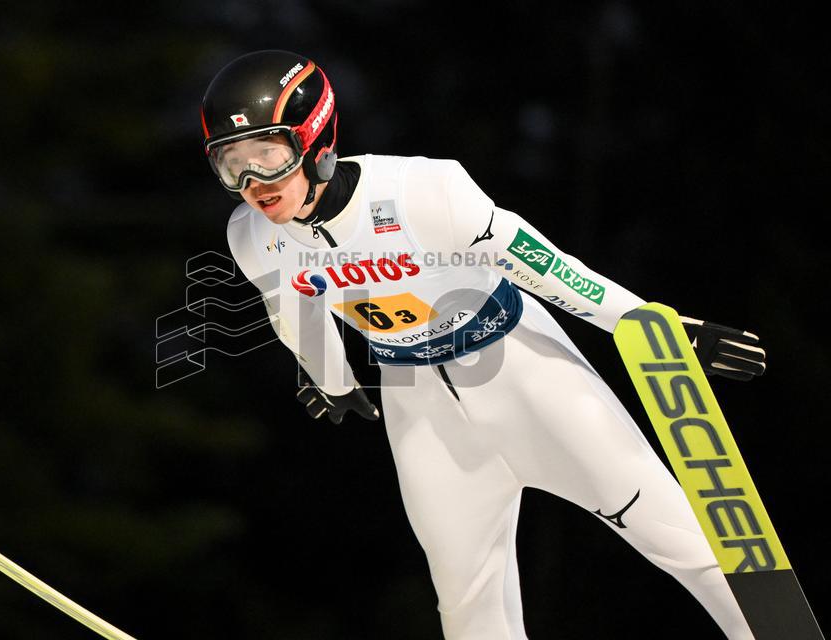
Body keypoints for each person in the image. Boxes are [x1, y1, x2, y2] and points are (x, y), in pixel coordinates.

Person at [200, 49, 766, 639]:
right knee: (467, 605)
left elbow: (543, 265)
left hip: (522, 371)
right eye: (230, 163)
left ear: (314, 139)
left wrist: (649, 326)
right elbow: (291, 308)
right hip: (419, 404)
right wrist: (332, 379)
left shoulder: (425, 190)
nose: (252, 183)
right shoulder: (253, 236)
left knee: (678, 538)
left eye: (269, 155)